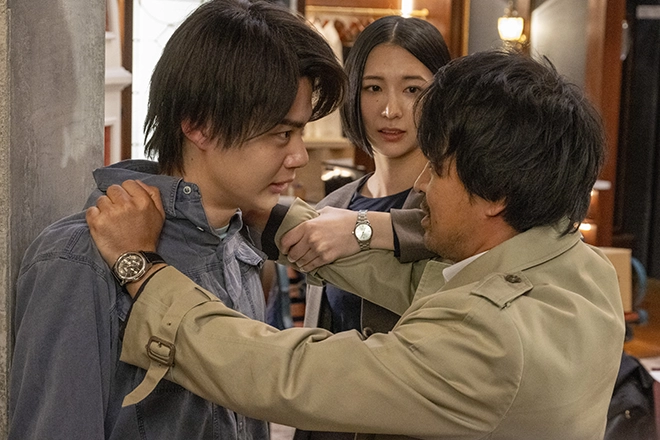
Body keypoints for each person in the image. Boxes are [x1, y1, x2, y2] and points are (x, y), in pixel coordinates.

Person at [86, 50, 626, 439]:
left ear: (496, 197)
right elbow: (417, 279)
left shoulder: (491, 342)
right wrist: (274, 217)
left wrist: (141, 269)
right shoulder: (578, 267)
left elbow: (288, 375)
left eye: (438, 170)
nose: (421, 186)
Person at [8, 1, 345, 439]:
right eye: (281, 134)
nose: (299, 156)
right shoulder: (79, 260)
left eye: (300, 132)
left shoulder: (237, 242)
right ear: (199, 125)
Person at [285, 16, 450, 344]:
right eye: (373, 88)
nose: (390, 110)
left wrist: (362, 229)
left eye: (412, 89)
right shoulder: (333, 206)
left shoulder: (458, 206)